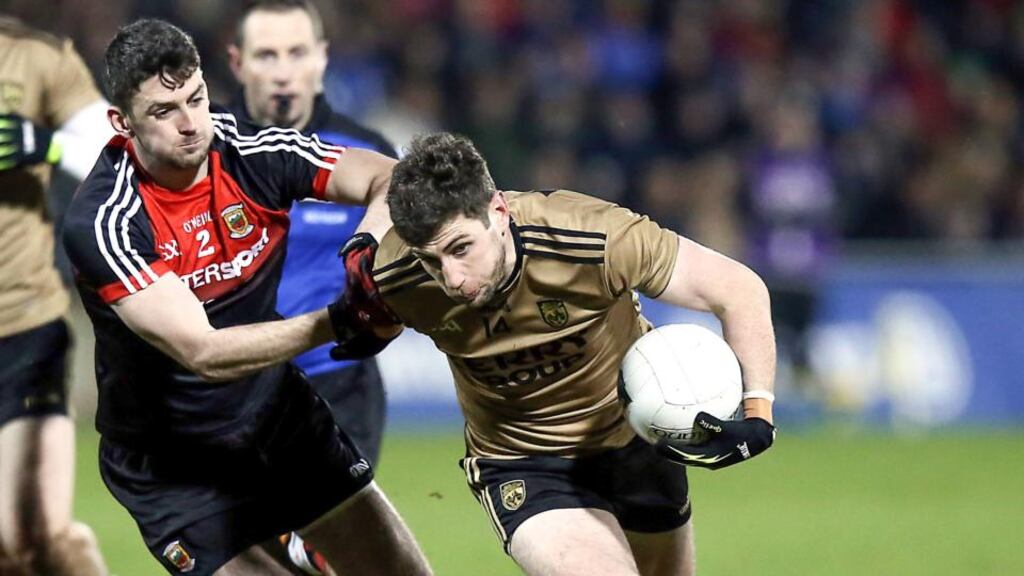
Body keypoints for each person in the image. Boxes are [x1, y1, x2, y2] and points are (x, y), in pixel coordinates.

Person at [60, 19, 431, 576]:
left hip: (281, 421)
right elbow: (203, 352)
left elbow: (390, 179)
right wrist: (344, 318)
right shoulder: (106, 220)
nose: (191, 125)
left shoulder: (250, 150)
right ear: (122, 122)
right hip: (177, 465)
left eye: (196, 99)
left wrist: (363, 255)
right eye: (165, 111)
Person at [342, 132, 778, 576]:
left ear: (497, 211)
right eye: (431, 261)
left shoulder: (591, 236)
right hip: (524, 463)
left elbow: (737, 290)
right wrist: (362, 322)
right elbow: (357, 318)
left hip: (636, 442)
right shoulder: (394, 277)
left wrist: (758, 411)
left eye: (460, 249)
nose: (451, 279)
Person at [225, 2, 399, 572]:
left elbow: (403, 262)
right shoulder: (205, 153)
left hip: (339, 385)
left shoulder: (365, 155)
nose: (282, 70)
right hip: (237, 392)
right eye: (266, 54)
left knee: (319, 552)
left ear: (322, 59)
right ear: (237, 63)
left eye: (297, 52)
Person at [0, 15, 112, 576]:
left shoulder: (36, 57)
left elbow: (113, 149)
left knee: (34, 534)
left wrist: (45, 146)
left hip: (21, 325)